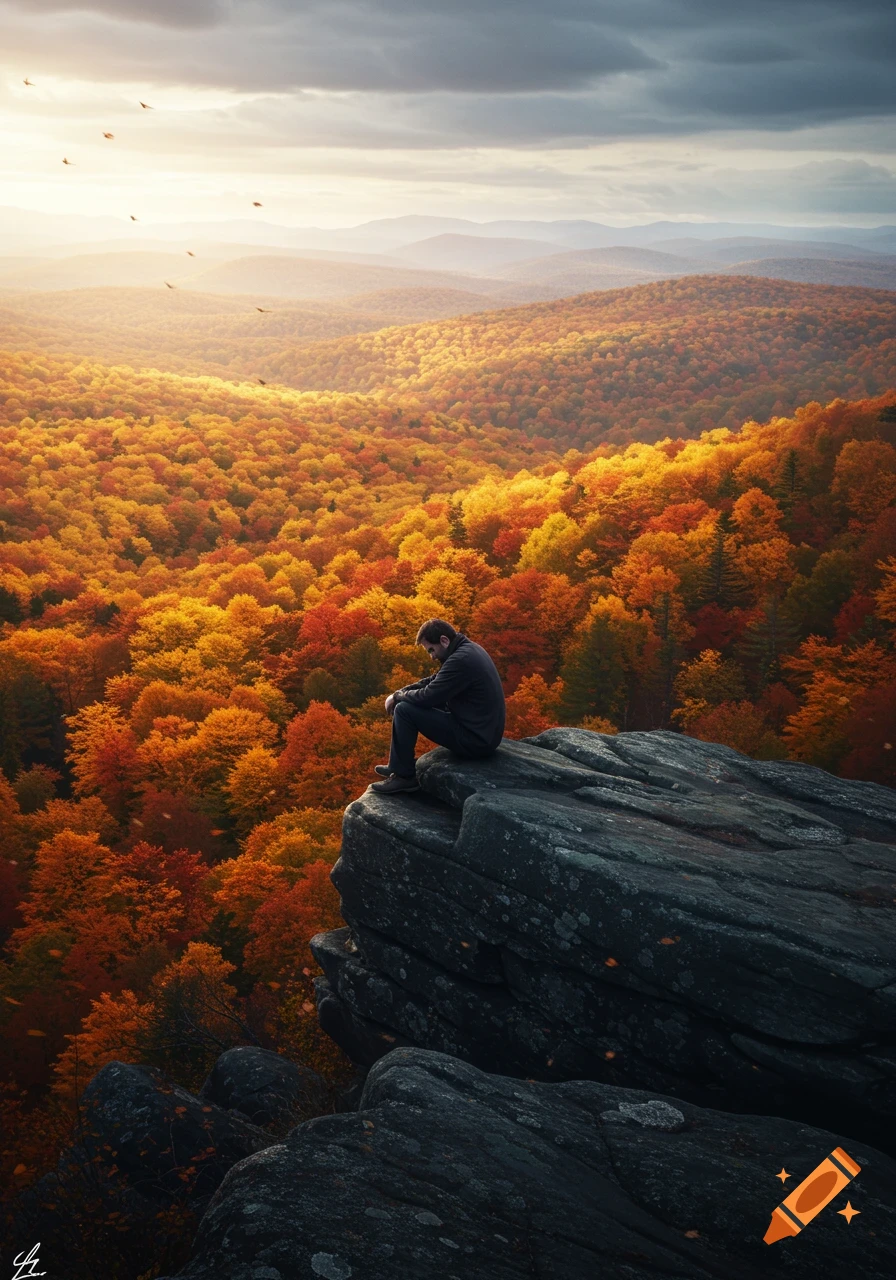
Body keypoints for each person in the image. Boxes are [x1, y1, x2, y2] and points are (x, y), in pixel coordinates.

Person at [370, 618, 505, 795]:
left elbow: (428, 697)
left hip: (476, 740)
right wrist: (400, 692)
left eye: (431, 650)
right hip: (482, 733)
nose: (432, 656)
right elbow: (435, 680)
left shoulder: (461, 660)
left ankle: (404, 777)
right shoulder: (468, 650)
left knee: (404, 710)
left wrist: (397, 697)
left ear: (444, 640)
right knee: (405, 703)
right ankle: (397, 766)